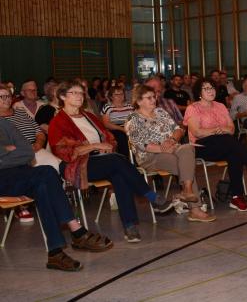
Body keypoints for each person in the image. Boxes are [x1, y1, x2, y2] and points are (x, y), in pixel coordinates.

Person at [48, 80, 175, 243]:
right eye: (74, 93)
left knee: (119, 175)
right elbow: (61, 150)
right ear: (62, 96)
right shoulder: (58, 122)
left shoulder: (89, 116)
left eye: (81, 93)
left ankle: (130, 227)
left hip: (103, 160)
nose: (80, 96)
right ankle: (151, 196)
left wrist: (106, 146)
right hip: (78, 165)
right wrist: (94, 146)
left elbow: (110, 138)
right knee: (117, 162)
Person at [0, 120, 114, 271]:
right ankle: (77, 232)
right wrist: (9, 151)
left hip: (22, 173)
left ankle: (55, 252)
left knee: (44, 181)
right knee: (45, 175)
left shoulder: (5, 124)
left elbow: (28, 152)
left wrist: (6, 153)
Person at [184, 77, 247, 212]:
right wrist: (217, 130)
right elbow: (197, 132)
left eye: (212, 88)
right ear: (199, 92)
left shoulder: (221, 106)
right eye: (206, 88)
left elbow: (232, 128)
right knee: (230, 142)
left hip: (223, 144)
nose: (210, 91)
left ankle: (237, 196)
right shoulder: (192, 108)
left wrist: (221, 131)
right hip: (201, 147)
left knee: (235, 154)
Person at [127, 85, 215, 222]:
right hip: (150, 156)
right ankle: (195, 209)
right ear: (138, 101)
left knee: (187, 149)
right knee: (186, 165)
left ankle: (187, 191)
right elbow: (142, 145)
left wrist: (172, 140)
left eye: (154, 96)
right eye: (149, 98)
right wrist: (163, 148)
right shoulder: (133, 119)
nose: (153, 100)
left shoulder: (161, 112)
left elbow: (178, 129)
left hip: (173, 148)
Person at [1, 84, 48, 224]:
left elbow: (38, 130)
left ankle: (48, 204)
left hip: (35, 149)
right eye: (2, 96)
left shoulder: (20, 111)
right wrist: (15, 150)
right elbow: (6, 147)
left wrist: (39, 143)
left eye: (8, 96)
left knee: (54, 165)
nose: (6, 99)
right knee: (30, 169)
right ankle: (21, 204)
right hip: (17, 155)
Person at [100, 86, 134, 156]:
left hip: (129, 127)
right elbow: (106, 124)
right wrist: (122, 129)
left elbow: (134, 119)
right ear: (111, 96)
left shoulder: (129, 106)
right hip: (115, 129)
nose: (120, 96)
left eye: (121, 94)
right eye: (116, 94)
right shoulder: (108, 107)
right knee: (122, 137)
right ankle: (126, 159)